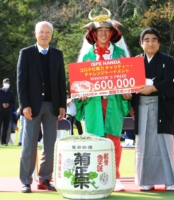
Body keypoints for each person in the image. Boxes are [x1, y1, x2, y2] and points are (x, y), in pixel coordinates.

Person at [75, 8, 131, 191]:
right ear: (94, 34)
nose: (103, 34)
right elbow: (79, 85)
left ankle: (114, 178)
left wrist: (126, 94)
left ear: (112, 33)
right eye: (100, 31)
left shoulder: (121, 55)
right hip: (93, 105)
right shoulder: (86, 57)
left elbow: (128, 81)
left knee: (114, 139)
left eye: (107, 31)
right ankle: (94, 177)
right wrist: (81, 95)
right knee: (94, 141)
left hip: (113, 103)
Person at [17, 21, 66, 193]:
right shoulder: (26, 53)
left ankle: (45, 179)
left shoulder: (57, 54)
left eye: (48, 32)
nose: (44, 35)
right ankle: (26, 180)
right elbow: (21, 82)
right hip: (32, 106)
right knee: (29, 145)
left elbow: (61, 81)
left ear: (52, 35)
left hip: (52, 106)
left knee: (50, 145)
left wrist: (61, 105)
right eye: (41, 32)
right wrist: (25, 105)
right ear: (35, 33)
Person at [131, 28, 174, 191]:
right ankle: (146, 180)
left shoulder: (168, 60)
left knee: (165, 143)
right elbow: (129, 84)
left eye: (154, 40)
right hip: (141, 106)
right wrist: (129, 101)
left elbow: (171, 83)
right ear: (141, 43)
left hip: (161, 107)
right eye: (147, 40)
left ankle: (169, 180)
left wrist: (153, 88)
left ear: (158, 43)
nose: (150, 43)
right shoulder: (135, 61)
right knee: (143, 145)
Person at [0, 78, 15, 146]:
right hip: (0, 112)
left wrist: (8, 104)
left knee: (5, 127)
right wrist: (1, 104)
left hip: (8, 112)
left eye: (8, 83)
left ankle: (4, 141)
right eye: (6, 83)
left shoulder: (11, 93)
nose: (7, 84)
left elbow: (13, 102)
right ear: (3, 84)